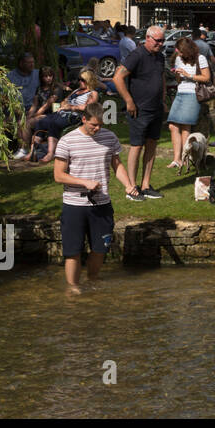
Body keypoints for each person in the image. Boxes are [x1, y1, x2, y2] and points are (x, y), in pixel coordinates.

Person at [53, 103, 133, 290]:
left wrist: (128, 185)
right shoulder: (67, 141)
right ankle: (73, 288)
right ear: (84, 119)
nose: (97, 129)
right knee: (73, 251)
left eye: (100, 125)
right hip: (74, 205)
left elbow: (117, 165)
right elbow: (58, 175)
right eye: (93, 125)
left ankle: (93, 279)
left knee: (100, 248)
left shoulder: (109, 137)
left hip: (101, 203)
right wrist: (84, 182)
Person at [112, 25, 167, 201]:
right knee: (137, 146)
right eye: (157, 41)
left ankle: (146, 185)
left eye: (162, 40)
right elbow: (118, 77)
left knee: (152, 145)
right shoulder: (136, 55)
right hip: (139, 109)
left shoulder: (160, 57)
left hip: (156, 108)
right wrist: (128, 101)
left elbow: (161, 78)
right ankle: (132, 187)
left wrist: (163, 100)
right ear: (148, 39)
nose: (160, 44)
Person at [30, 68, 101, 163]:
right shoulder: (76, 91)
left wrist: (71, 107)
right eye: (79, 79)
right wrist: (64, 105)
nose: (79, 81)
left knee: (54, 124)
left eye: (82, 80)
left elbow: (87, 108)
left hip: (74, 116)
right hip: (62, 112)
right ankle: (33, 152)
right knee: (41, 122)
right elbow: (65, 100)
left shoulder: (93, 93)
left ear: (89, 81)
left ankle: (50, 153)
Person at [165, 35, 211, 170]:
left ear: (186, 49)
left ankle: (186, 159)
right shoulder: (179, 59)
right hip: (180, 92)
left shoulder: (200, 59)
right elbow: (180, 79)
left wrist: (188, 74)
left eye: (180, 50)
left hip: (192, 94)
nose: (177, 53)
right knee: (172, 126)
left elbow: (206, 77)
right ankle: (177, 159)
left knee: (186, 128)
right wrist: (178, 74)